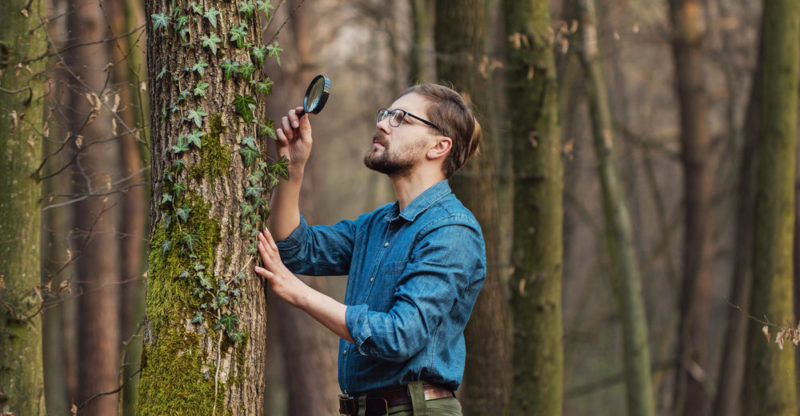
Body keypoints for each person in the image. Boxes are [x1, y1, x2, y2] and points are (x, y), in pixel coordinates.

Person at [254, 83, 486, 416]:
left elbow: (399, 334)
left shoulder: (451, 230)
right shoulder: (377, 225)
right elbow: (296, 249)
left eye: (401, 118)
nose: (382, 124)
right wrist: (293, 168)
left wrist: (300, 294)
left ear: (438, 146)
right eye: (386, 114)